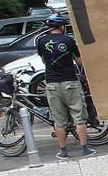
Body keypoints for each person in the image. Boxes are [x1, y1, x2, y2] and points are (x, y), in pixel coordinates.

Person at [36, 14, 95, 159]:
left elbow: (44, 61)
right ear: (61, 27)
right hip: (70, 82)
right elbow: (79, 61)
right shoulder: (68, 40)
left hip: (51, 84)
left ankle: (63, 151)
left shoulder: (41, 41)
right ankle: (84, 149)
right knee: (78, 117)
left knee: (59, 120)